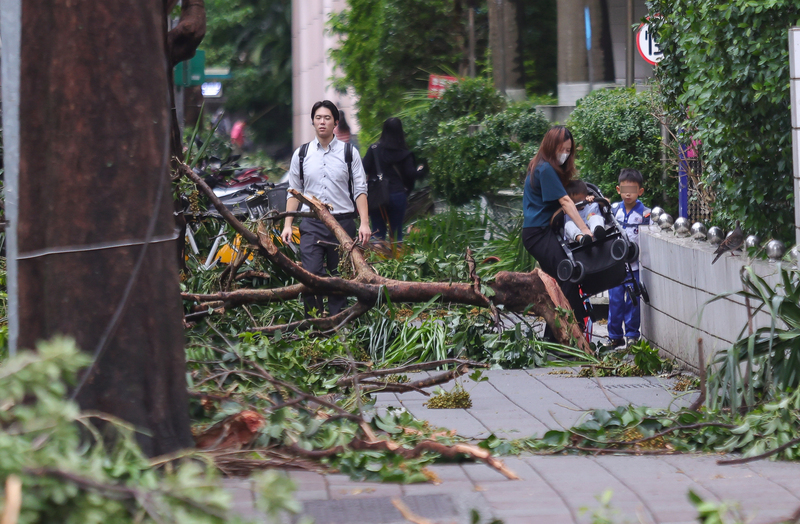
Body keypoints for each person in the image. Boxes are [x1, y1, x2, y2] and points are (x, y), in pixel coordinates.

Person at [281, 100, 371, 318]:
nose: (322, 122)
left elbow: (360, 189)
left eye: (327, 118)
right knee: (310, 274)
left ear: (335, 123)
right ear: (312, 121)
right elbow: (294, 191)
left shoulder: (350, 153)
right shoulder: (301, 154)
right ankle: (314, 322)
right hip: (311, 224)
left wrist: (365, 223)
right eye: (318, 118)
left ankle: (337, 323)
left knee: (339, 277)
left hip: (343, 223)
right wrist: (288, 224)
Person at [522, 126, 592, 330]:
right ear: (551, 147)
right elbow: (565, 201)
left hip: (539, 232)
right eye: (561, 149)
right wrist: (585, 230)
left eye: (568, 150)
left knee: (557, 282)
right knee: (567, 276)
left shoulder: (543, 167)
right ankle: (570, 336)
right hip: (538, 233)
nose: (565, 154)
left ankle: (558, 336)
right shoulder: (544, 169)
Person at [605, 168, 651, 349]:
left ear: (640, 191)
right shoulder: (613, 210)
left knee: (633, 300)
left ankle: (632, 334)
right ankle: (614, 335)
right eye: (624, 190)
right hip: (616, 266)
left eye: (632, 190)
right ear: (618, 190)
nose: (628, 194)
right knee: (615, 300)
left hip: (634, 267)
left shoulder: (646, 214)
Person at [363, 117, 417, 242]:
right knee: (397, 233)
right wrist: (420, 171)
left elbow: (364, 168)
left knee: (377, 232)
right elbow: (410, 174)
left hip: (377, 195)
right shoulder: (404, 153)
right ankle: (397, 260)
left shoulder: (374, 149)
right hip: (397, 194)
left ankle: (376, 260)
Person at [563, 179, 606, 245]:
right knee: (568, 225)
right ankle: (581, 239)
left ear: (586, 196)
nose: (578, 204)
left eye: (580, 201)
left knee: (595, 217)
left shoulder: (592, 204)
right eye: (574, 202)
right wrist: (564, 208)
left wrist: (595, 199)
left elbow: (607, 203)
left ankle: (598, 232)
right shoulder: (568, 211)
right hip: (576, 236)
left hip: (594, 231)